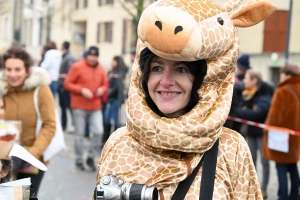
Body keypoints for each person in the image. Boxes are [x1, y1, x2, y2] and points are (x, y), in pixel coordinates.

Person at [95, 0, 276, 198]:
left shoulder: (230, 148)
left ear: (203, 80)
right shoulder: (120, 143)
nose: (166, 81)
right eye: (157, 68)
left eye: (181, 69)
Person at [0, 47, 56, 195]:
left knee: (21, 197)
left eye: (17, 69)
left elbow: (49, 125)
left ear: (27, 70)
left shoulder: (41, 90)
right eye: (9, 69)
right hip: (4, 160)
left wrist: (32, 154)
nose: (12, 74)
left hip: (31, 160)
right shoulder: (2, 89)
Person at [64, 46, 108, 171]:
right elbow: (67, 83)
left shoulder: (101, 69)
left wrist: (102, 89)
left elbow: (105, 85)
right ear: (86, 55)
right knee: (80, 134)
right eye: (90, 55)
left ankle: (90, 156)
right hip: (79, 105)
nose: (92, 58)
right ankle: (78, 159)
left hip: (95, 106)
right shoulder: (77, 67)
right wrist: (81, 90)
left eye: (95, 56)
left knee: (99, 131)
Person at [262, 64, 300, 200]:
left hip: (281, 136)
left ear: (288, 75)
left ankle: (283, 196)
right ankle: (295, 195)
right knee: (293, 166)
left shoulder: (283, 91)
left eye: (283, 73)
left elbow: (274, 117)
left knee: (281, 168)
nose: (281, 76)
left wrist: (267, 127)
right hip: (295, 137)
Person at [235, 69, 271, 199]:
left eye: (247, 78)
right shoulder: (246, 94)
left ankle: (264, 188)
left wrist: (247, 112)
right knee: (251, 160)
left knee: (264, 161)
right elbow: (239, 110)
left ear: (254, 81)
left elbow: (257, 113)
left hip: (262, 133)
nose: (244, 81)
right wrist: (248, 112)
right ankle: (252, 187)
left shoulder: (263, 94)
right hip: (250, 132)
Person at [102, 56, 126, 145]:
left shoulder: (119, 73)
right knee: (107, 120)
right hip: (111, 99)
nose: (112, 62)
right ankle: (106, 139)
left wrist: (107, 94)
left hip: (115, 100)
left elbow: (116, 87)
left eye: (114, 61)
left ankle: (114, 141)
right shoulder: (112, 72)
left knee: (114, 120)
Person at [58, 41, 76, 132]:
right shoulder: (65, 56)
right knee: (63, 107)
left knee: (68, 106)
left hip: (65, 86)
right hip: (62, 85)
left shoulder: (69, 58)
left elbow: (70, 73)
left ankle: (72, 124)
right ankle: (63, 124)